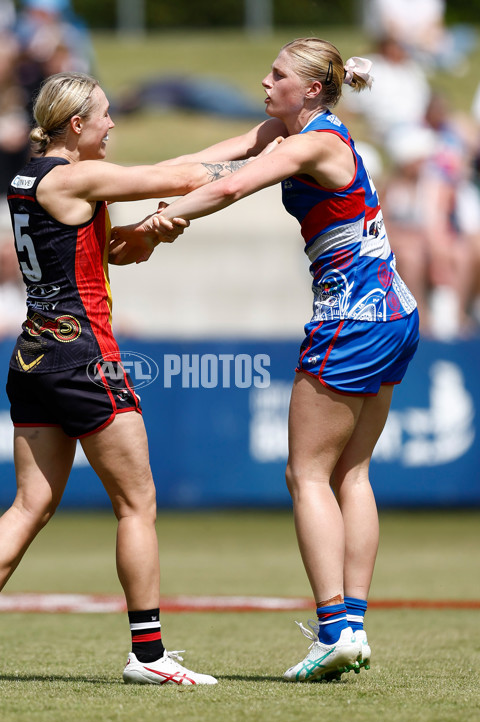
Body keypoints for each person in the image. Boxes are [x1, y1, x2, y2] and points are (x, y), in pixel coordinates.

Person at [0, 71, 250, 685]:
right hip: (84, 356)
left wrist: (249, 142)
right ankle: (149, 656)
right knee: (138, 504)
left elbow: (96, 249)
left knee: (31, 502)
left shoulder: (28, 178)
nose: (111, 124)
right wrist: (272, 158)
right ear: (76, 124)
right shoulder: (77, 176)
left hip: (32, 356)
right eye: (104, 115)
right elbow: (181, 175)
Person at [116, 37, 420, 682]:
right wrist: (117, 190)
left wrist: (152, 227)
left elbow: (232, 190)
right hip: (395, 309)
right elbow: (202, 164)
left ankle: (335, 627)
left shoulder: (314, 143)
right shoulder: (286, 131)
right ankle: (354, 627)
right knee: (352, 474)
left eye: (277, 74)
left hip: (352, 317)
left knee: (306, 474)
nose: (263, 80)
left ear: (311, 89)